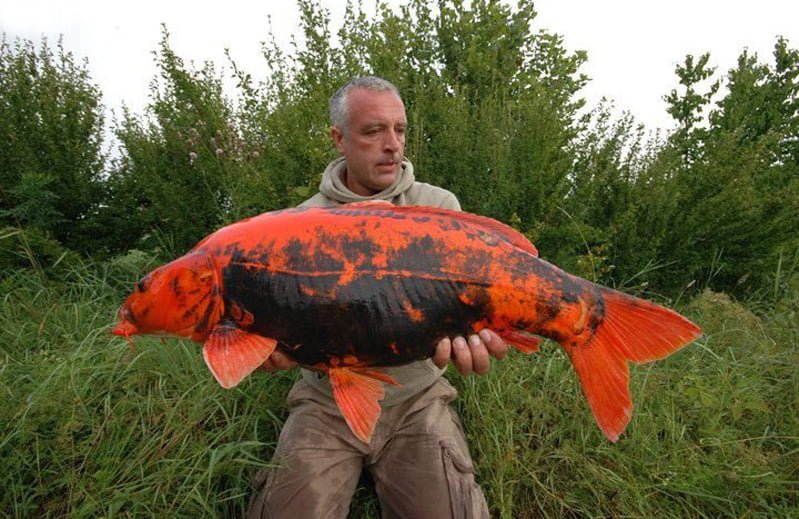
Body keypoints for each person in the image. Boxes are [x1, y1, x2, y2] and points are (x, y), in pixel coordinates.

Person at [247, 76, 508, 519]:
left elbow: (471, 305)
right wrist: (268, 347)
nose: (392, 145)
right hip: (326, 398)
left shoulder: (438, 207)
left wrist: (479, 335)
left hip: (416, 395)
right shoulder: (298, 225)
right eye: (373, 131)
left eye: (400, 130)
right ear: (339, 138)